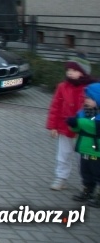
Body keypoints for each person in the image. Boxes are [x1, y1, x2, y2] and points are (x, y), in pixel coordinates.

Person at [47, 58, 93, 190]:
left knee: (83, 156)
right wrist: (53, 126)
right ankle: (60, 178)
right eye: (68, 70)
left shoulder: (89, 88)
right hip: (65, 126)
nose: (70, 73)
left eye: (74, 70)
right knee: (63, 153)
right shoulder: (62, 86)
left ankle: (86, 182)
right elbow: (55, 106)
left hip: (84, 129)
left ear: (83, 72)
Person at [66, 82, 100, 207]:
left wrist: (78, 122)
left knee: (97, 172)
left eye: (90, 98)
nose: (87, 100)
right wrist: (73, 124)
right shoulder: (84, 112)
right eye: (86, 97)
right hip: (85, 148)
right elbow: (77, 129)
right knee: (85, 171)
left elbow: (94, 126)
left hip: (96, 151)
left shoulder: (95, 115)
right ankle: (87, 190)